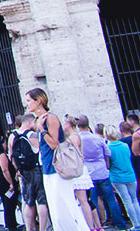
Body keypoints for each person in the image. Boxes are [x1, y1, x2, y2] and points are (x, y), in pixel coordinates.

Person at [25, 87, 89, 231]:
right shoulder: (39, 120)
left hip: (57, 168)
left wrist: (41, 129)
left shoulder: (50, 118)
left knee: (66, 207)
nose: (27, 104)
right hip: (48, 168)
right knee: (56, 210)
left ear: (38, 100)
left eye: (29, 101)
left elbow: (54, 144)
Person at [79, 116, 125, 230]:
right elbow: (108, 153)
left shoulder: (78, 139)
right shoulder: (98, 139)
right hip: (102, 171)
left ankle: (97, 224)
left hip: (89, 172)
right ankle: (120, 224)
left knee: (93, 200)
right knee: (111, 199)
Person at [12, 113, 49, 231]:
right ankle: (43, 228)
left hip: (24, 171)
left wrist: (18, 169)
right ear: (30, 122)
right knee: (41, 200)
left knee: (28, 201)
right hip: (36, 169)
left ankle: (29, 228)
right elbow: (42, 151)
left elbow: (12, 156)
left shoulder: (14, 136)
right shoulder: (32, 135)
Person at [106, 125, 140, 231]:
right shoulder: (124, 145)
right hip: (130, 175)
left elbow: (108, 165)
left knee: (127, 200)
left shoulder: (108, 148)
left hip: (117, 177)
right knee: (134, 199)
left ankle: (135, 225)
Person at [0, 137, 20, 231]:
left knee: (6, 201)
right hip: (4, 180)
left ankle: (11, 223)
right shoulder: (1, 155)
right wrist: (11, 183)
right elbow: (5, 169)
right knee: (9, 202)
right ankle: (11, 224)